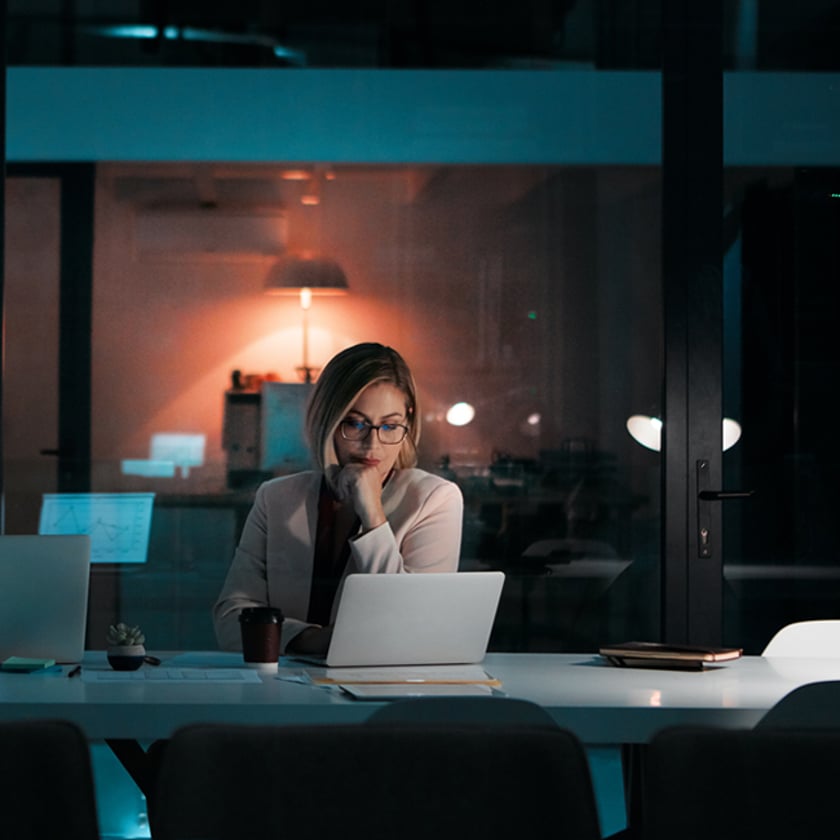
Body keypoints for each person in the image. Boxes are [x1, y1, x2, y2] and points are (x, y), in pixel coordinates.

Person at [213, 342, 464, 656]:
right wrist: (316, 640)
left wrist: (373, 515)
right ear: (327, 421)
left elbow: (412, 625)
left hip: (385, 684)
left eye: (389, 425)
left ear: (407, 423)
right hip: (281, 684)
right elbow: (230, 619)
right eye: (355, 424)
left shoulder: (434, 499)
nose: (372, 445)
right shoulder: (276, 497)